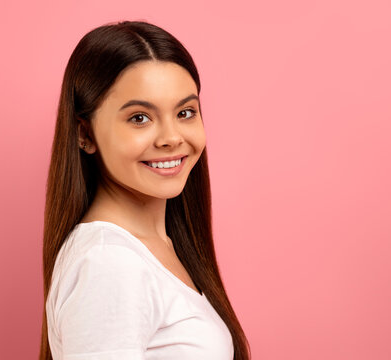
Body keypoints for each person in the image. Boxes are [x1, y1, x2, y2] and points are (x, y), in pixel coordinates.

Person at [38, 20, 251, 360]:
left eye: (185, 112)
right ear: (85, 134)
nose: (171, 137)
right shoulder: (109, 262)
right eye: (139, 118)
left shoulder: (159, 246)